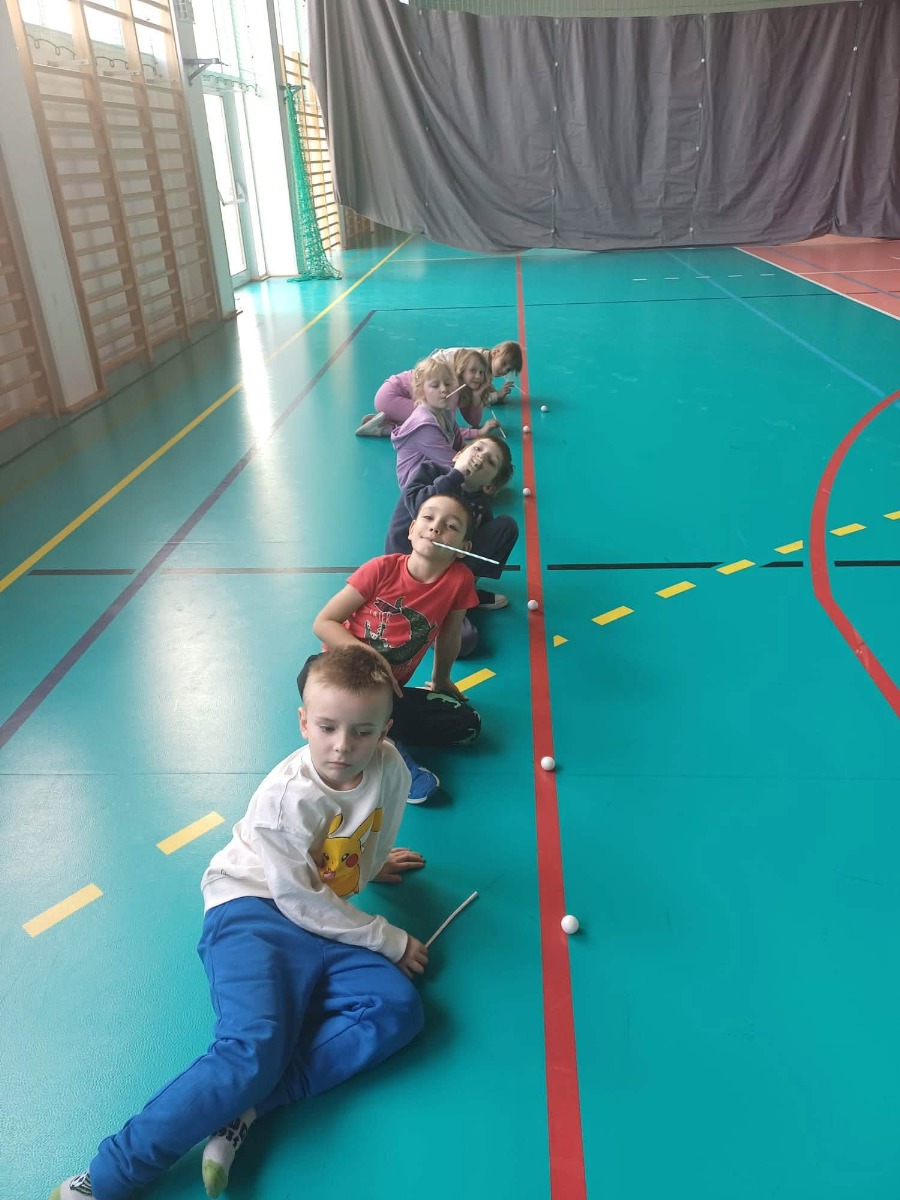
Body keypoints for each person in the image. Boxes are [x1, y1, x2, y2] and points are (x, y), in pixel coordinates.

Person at [50, 647, 427, 1200]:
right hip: (254, 911)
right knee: (252, 1050)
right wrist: (388, 938)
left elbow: (370, 825)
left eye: (363, 731)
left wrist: (368, 864)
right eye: (327, 727)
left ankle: (246, 1110)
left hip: (324, 914)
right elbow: (300, 900)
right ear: (303, 721)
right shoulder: (286, 798)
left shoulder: (389, 765)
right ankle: (106, 1176)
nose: (343, 746)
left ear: (385, 731)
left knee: (396, 1008)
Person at [311, 493, 481, 804]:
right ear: (412, 529)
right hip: (344, 676)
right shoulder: (381, 569)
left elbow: (449, 635)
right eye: (428, 518)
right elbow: (324, 623)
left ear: (464, 548)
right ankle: (388, 753)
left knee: (468, 725)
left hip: (388, 692)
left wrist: (441, 679)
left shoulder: (460, 580)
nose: (436, 527)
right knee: (312, 674)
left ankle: (370, 731)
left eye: (451, 526)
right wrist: (370, 657)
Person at [384, 435, 517, 611]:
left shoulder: (481, 505)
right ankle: (436, 596)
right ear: (457, 455)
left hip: (442, 562)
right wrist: (456, 475)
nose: (480, 457)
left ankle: (463, 591)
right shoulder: (430, 471)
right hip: (408, 560)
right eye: (478, 448)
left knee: (506, 526)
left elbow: (474, 546)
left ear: (489, 486)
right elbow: (419, 507)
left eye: (491, 461)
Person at [389, 358, 499, 489]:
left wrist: (473, 455)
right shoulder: (424, 427)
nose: (444, 389)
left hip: (437, 471)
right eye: (435, 386)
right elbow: (453, 464)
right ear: (421, 391)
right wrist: (482, 475)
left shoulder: (445, 412)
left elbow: (460, 445)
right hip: (418, 486)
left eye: (447, 384)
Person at [430, 340, 523, 406]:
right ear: (495, 353)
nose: (504, 370)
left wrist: (497, 395)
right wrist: (497, 395)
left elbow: (485, 385)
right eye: (503, 363)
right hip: (436, 367)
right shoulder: (478, 365)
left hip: (438, 359)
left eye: (508, 369)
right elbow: (476, 398)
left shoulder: (485, 358)